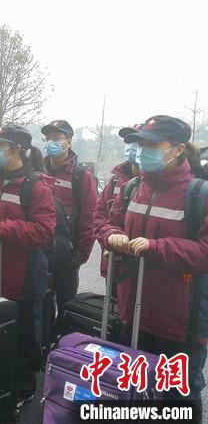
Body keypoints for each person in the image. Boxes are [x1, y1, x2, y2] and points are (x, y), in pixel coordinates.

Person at [97, 115, 208, 416]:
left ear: (178, 149)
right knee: (134, 396)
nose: (143, 152)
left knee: (177, 403)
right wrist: (112, 236)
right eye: (141, 145)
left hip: (178, 325)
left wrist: (156, 248)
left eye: (153, 145)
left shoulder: (199, 194)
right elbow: (107, 223)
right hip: (132, 314)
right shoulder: (133, 187)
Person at [0, 125, 56, 408]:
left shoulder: (36, 186)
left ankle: (23, 387)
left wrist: (3, 230)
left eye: (0, 146)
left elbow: (44, 230)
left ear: (17, 149)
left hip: (24, 275)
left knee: (24, 332)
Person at [41, 120, 98, 322]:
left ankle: (65, 339)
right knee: (41, 302)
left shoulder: (81, 175)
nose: (51, 142)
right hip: (39, 249)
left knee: (66, 305)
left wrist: (81, 254)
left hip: (67, 254)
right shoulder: (39, 170)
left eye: (57, 138)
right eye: (48, 138)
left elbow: (89, 217)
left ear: (69, 142)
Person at [94, 125, 141, 280]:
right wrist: (110, 238)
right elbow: (99, 215)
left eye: (138, 142)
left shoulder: (158, 184)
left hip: (145, 266)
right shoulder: (115, 180)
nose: (132, 147)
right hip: (114, 262)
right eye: (129, 142)